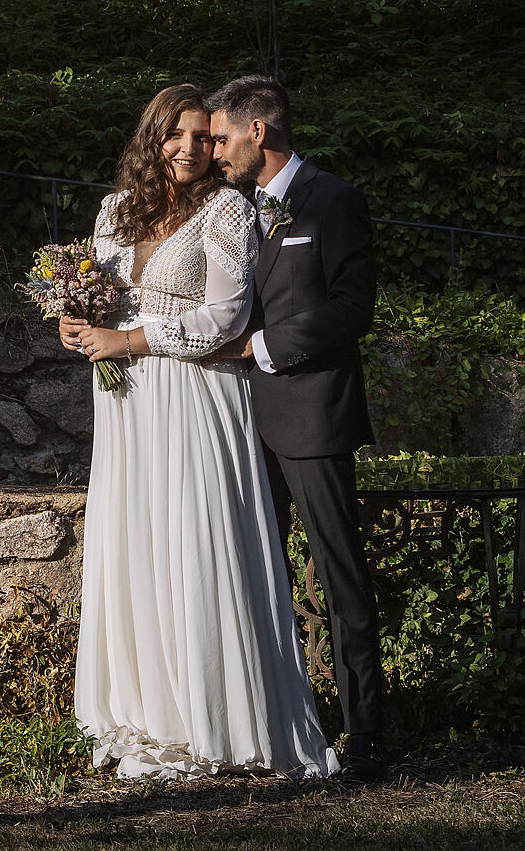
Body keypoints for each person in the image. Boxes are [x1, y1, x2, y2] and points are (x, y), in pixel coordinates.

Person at [61, 84, 340, 781]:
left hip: (196, 396)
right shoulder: (114, 210)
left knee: (195, 542)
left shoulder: (225, 209)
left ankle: (215, 718)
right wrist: (74, 323)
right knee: (138, 543)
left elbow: (225, 316)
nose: (190, 148)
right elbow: (101, 293)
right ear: (152, 137)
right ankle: (148, 713)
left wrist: (130, 338)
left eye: (201, 136)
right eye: (175, 134)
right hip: (126, 402)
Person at [203, 74, 387, 783]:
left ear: (259, 132)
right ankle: (279, 723)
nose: (215, 150)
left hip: (314, 416)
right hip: (246, 422)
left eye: (222, 137)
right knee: (258, 576)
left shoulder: (334, 200)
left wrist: (266, 346)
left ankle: (365, 730)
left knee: (340, 579)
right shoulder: (238, 210)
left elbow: (353, 307)